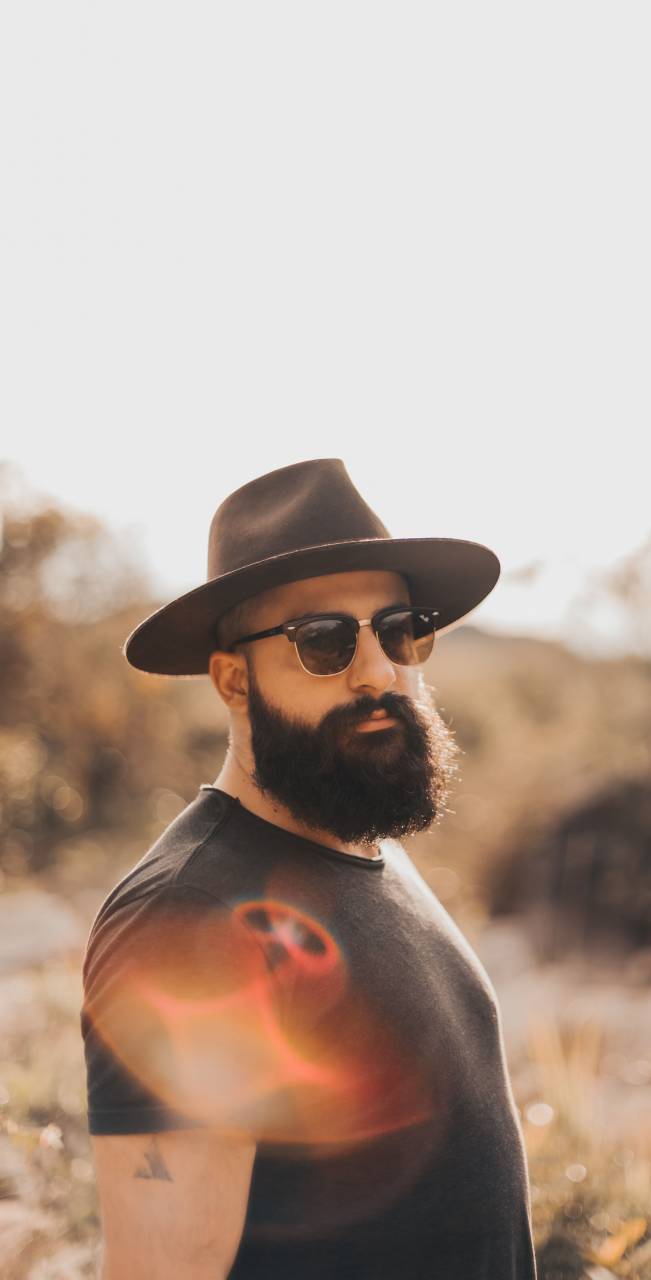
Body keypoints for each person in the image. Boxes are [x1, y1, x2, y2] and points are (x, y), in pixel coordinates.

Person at [80, 457, 538, 1279]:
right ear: (231, 678)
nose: (377, 671)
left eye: (398, 630)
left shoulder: (366, 845)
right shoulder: (189, 918)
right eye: (322, 642)